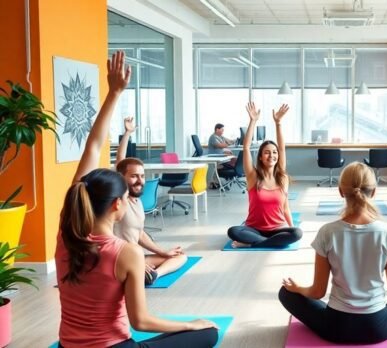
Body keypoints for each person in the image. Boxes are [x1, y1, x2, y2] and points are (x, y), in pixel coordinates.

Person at [56, 51, 218, 347]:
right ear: (118, 205)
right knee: (208, 332)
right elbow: (141, 322)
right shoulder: (124, 252)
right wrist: (190, 324)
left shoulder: (66, 235)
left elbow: (92, 147)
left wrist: (113, 93)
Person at [278, 162, 387, 344]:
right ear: (374, 192)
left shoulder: (327, 232)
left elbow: (317, 292)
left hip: (335, 327)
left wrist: (298, 289)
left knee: (285, 293)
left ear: (341, 191)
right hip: (377, 328)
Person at [115, 117, 188, 286]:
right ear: (121, 178)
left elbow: (139, 234)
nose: (140, 180)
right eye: (133, 176)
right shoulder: (120, 199)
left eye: (142, 176)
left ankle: (154, 274)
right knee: (144, 260)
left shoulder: (137, 202)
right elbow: (120, 160)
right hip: (119, 260)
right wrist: (127, 133)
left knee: (180, 256)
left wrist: (163, 252)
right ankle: (140, 270)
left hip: (135, 257)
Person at [226, 102, 302, 248]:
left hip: (278, 229)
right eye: (267, 152)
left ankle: (250, 244)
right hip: (254, 229)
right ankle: (262, 242)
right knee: (233, 231)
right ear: (260, 156)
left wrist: (278, 123)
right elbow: (246, 148)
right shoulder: (253, 176)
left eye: (274, 152)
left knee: (297, 233)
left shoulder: (282, 178)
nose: (271, 155)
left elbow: (286, 208)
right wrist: (253, 121)